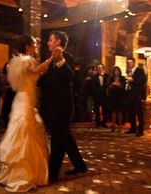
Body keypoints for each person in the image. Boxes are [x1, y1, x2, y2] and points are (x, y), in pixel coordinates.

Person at [0, 35, 53, 192]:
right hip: (26, 101)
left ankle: (14, 173)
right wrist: (52, 58)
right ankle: (23, 176)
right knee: (25, 135)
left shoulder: (15, 62)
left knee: (23, 134)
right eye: (34, 44)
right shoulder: (27, 60)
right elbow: (35, 70)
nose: (36, 46)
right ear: (27, 47)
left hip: (21, 99)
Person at [39, 30, 87, 182]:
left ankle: (52, 174)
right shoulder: (50, 60)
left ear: (58, 42)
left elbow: (70, 77)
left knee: (58, 141)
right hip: (53, 106)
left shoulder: (67, 58)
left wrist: (60, 60)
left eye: (50, 40)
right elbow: (45, 82)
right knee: (65, 138)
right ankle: (80, 166)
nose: (48, 42)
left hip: (62, 107)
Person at [124, 56, 146, 137]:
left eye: (131, 62)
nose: (129, 64)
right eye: (128, 62)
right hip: (130, 94)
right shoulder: (128, 71)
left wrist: (133, 80)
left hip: (137, 95)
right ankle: (133, 128)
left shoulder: (139, 70)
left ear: (134, 62)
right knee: (131, 112)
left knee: (139, 113)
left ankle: (140, 130)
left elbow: (143, 80)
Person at [108, 66, 126, 132]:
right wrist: (112, 84)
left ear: (119, 71)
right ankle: (113, 126)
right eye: (115, 71)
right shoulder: (111, 78)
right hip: (113, 96)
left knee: (119, 111)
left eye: (117, 71)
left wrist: (119, 85)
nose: (116, 72)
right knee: (113, 111)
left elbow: (124, 87)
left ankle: (120, 126)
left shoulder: (122, 78)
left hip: (120, 96)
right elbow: (108, 87)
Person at [91, 64, 109, 128]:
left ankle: (104, 123)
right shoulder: (93, 76)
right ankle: (97, 123)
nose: (99, 69)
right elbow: (93, 86)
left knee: (104, 110)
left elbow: (107, 85)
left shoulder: (107, 76)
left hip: (104, 96)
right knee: (96, 110)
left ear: (103, 69)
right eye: (98, 68)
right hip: (96, 96)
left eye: (100, 68)